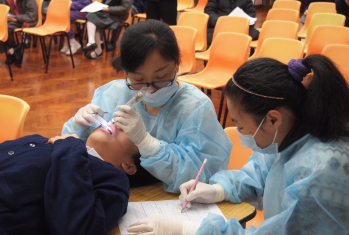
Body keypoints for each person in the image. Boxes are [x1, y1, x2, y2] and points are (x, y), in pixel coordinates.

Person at [127, 55, 349, 235]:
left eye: (240, 127)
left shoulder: (321, 170)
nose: (240, 133)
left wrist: (189, 229)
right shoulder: (289, 134)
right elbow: (259, 174)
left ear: (272, 119)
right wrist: (218, 189)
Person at [62, 20, 232, 193]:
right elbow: (75, 151)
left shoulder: (195, 107)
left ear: (177, 64)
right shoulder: (113, 94)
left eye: (161, 77)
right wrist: (78, 128)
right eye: (138, 80)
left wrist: (147, 143)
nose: (149, 89)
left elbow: (201, 176)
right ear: (126, 72)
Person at [0, 123, 140, 234]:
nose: (118, 125)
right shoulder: (49, 141)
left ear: (129, 166)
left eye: (132, 132)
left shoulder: (114, 179)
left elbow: (76, 227)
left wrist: (71, 149)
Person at [0, 0, 37, 67]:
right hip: (11, 20)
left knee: (4, 29)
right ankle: (13, 51)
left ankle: (11, 53)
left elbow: (32, 16)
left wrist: (15, 18)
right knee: (2, 28)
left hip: (25, 21)